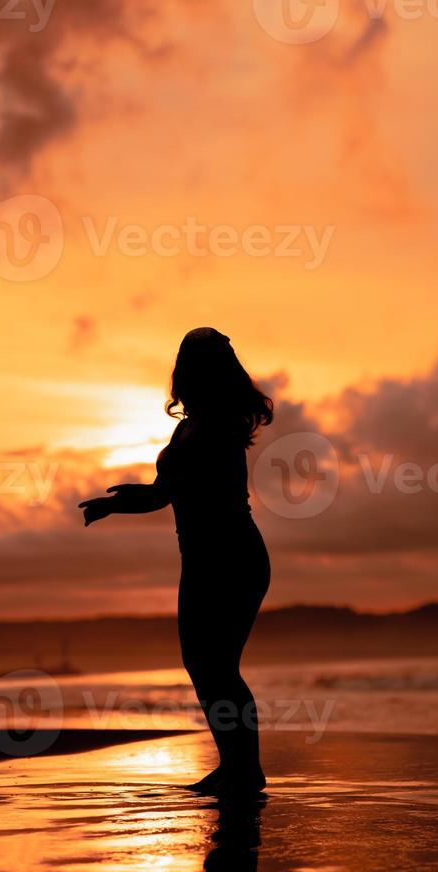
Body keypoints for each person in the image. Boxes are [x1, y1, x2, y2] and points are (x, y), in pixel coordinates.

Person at [79, 328, 273, 795]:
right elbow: (165, 494)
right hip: (200, 560)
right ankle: (235, 766)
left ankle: (244, 770)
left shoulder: (222, 425)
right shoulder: (187, 426)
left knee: (218, 665)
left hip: (233, 556)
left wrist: (142, 497)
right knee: (202, 664)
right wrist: (122, 501)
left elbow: (179, 488)